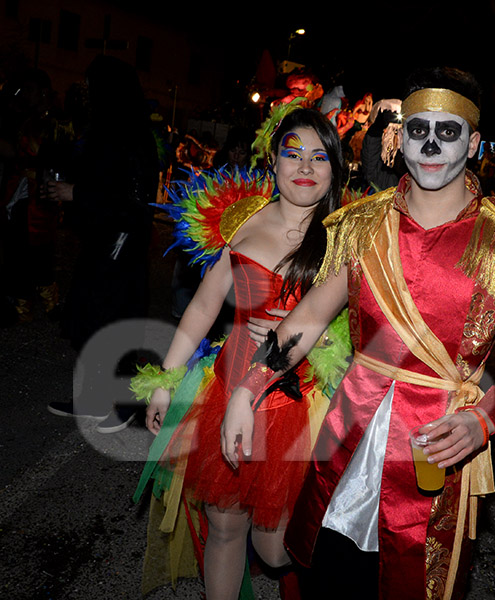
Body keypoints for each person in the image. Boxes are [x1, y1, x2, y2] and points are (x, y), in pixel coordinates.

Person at [223, 67, 495, 599]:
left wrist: (486, 418)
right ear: (400, 141)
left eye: (447, 132)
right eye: (419, 129)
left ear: (472, 144)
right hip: (349, 436)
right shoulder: (360, 226)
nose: (430, 144)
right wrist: (248, 387)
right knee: (326, 574)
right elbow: (307, 320)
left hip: (437, 447)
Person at [131, 107, 350, 599]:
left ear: (335, 169)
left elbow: (366, 324)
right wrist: (165, 381)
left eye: (320, 157)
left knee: (276, 547)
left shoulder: (342, 240)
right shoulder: (245, 221)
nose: (305, 168)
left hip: (294, 403)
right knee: (223, 524)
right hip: (225, 385)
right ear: (273, 161)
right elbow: (203, 307)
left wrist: (327, 339)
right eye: (293, 154)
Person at [44, 55, 160, 433]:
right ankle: (94, 401)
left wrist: (77, 192)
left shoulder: (131, 134)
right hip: (105, 236)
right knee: (92, 318)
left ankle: (130, 409)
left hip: (122, 239)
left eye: (93, 86)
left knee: (112, 318)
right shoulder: (109, 128)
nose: (87, 92)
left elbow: (134, 199)